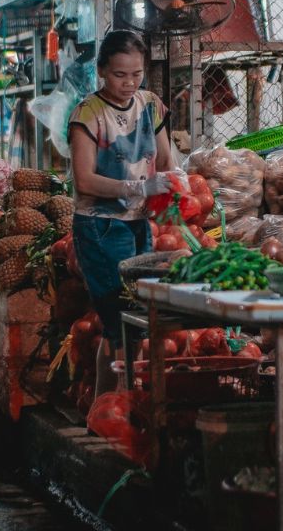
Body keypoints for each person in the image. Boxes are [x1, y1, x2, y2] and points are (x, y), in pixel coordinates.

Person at [68, 30, 172, 396]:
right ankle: (114, 409)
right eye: (119, 74)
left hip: (139, 223)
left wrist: (174, 189)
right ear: (101, 71)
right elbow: (84, 181)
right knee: (121, 323)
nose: (129, 83)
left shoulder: (150, 104)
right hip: (101, 227)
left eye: (136, 74)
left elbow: (165, 159)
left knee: (134, 322)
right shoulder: (88, 114)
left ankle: (110, 409)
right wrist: (137, 188)